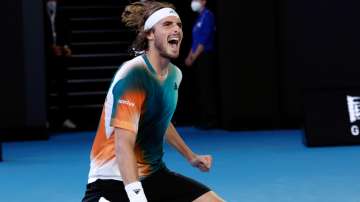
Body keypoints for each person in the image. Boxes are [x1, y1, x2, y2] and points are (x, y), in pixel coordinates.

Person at [82, 1, 224, 202]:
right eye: (167, 24)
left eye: (179, 25)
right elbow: (123, 145)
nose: (176, 29)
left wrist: (191, 156)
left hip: (154, 175)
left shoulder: (175, 75)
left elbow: (160, 121)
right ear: (149, 34)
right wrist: (137, 197)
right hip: (113, 182)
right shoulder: (134, 75)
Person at [185, 0, 217, 129]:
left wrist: (194, 56)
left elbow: (204, 39)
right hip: (197, 55)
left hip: (205, 55)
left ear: (203, 1)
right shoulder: (199, 17)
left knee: (207, 87)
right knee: (201, 88)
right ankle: (202, 117)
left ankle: (211, 119)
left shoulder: (208, 15)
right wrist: (189, 56)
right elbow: (195, 39)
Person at [44, 0, 76, 129]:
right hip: (45, 58)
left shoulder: (63, 11)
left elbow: (67, 30)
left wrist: (65, 46)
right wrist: (50, 47)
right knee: (45, 89)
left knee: (62, 87)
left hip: (61, 56)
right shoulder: (40, 13)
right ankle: (44, 119)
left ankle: (64, 118)